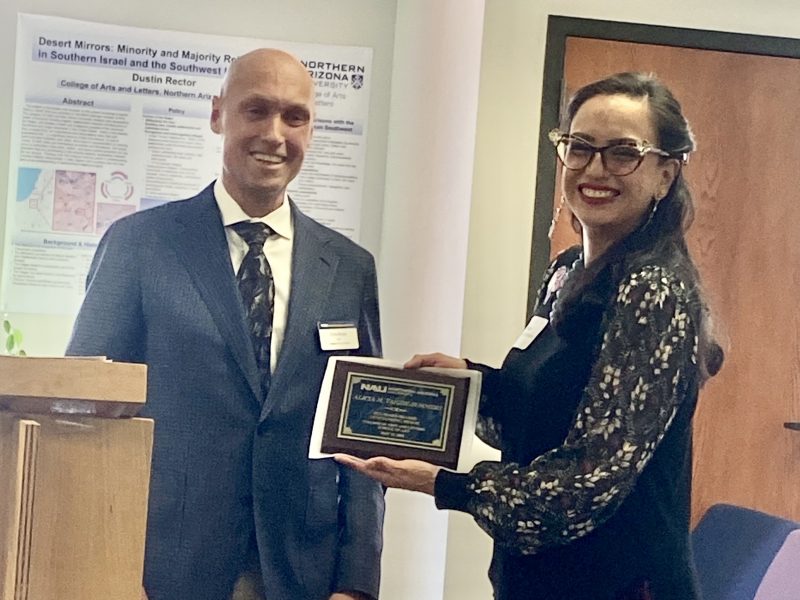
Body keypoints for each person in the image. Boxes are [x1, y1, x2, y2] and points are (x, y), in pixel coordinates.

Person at [336, 72, 723, 600]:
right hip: (538, 580)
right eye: (580, 147)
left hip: (618, 585)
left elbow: (582, 487)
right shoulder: (567, 271)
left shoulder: (654, 291)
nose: (595, 168)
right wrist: (469, 387)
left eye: (623, 153)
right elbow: (536, 420)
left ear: (664, 174)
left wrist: (443, 484)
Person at [67, 48, 384, 600]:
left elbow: (360, 434)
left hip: (301, 571)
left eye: (295, 116)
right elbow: (87, 416)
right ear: (219, 115)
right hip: (162, 569)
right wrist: (108, 563)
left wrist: (356, 583)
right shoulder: (140, 245)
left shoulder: (349, 268)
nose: (275, 134)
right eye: (256, 110)